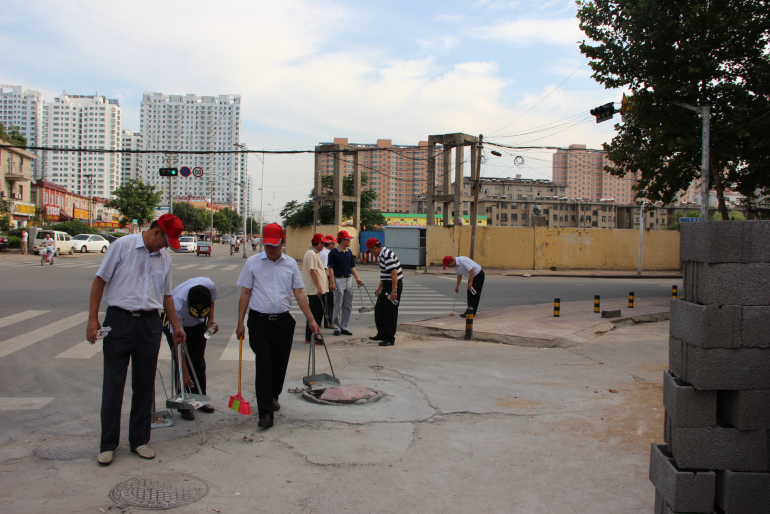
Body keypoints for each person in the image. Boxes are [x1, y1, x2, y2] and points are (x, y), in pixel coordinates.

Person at [86, 213, 186, 466]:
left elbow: (167, 295)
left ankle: (139, 440)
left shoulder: (164, 258)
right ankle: (108, 444)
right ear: (157, 232)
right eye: (165, 241)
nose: (165, 247)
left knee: (144, 385)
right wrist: (92, 320)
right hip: (119, 321)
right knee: (113, 385)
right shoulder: (123, 246)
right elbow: (100, 281)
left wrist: (176, 326)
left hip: (150, 324)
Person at [235, 223, 320, 428]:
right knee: (264, 365)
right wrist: (240, 322)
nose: (270, 249)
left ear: (283, 242)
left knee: (279, 364)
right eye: (266, 245)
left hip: (283, 322)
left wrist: (311, 319)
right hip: (259, 323)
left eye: (274, 245)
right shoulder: (253, 263)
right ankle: (265, 413)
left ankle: (273, 395)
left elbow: (299, 292)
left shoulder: (290, 264)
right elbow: (245, 293)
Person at [162, 278, 218, 420]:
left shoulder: (209, 285)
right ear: (188, 301)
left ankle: (200, 398)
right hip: (178, 326)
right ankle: (184, 405)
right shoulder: (177, 305)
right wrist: (185, 374)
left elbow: (212, 300)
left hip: (197, 326)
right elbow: (178, 345)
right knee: (183, 364)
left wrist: (210, 319)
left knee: (198, 362)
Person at [366, 238, 403, 347]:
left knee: (390, 312)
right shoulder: (382, 256)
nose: (370, 254)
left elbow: (394, 273)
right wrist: (379, 288)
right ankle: (382, 333)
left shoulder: (387, 255)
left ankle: (390, 338)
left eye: (370, 251)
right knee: (379, 309)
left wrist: (394, 290)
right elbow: (384, 274)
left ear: (375, 248)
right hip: (387, 284)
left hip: (393, 284)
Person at [327, 230, 363, 336]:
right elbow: (330, 268)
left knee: (348, 304)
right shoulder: (333, 252)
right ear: (342, 240)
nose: (350, 241)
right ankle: (336, 327)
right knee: (337, 304)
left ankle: (344, 326)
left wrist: (357, 278)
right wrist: (332, 282)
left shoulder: (349, 252)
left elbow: (352, 267)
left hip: (349, 279)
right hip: (339, 280)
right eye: (348, 240)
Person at [302, 234, 328, 344]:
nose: (324, 246)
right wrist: (319, 287)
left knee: (317, 314)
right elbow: (313, 271)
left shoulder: (314, 253)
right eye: (323, 244)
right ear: (319, 244)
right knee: (315, 315)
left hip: (317, 290)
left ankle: (313, 336)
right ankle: (312, 337)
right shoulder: (311, 254)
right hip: (315, 291)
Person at [320, 235, 335, 329]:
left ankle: (319, 320)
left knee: (325, 300)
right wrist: (328, 282)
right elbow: (325, 269)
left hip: (327, 278)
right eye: (333, 243)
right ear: (329, 244)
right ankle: (328, 322)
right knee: (328, 301)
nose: (334, 245)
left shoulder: (326, 252)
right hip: (326, 278)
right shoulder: (325, 254)